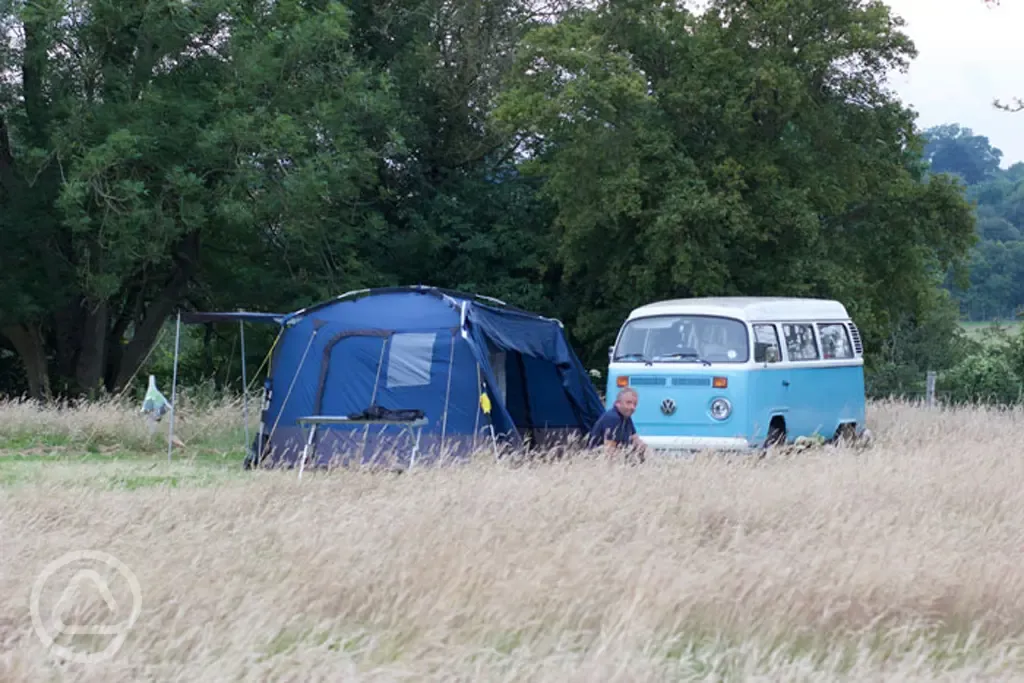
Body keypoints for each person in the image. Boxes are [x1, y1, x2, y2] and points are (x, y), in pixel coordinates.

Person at [587, 387, 647, 463]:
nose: (632, 407)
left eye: (635, 404)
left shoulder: (626, 417)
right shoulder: (613, 418)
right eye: (628, 402)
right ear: (617, 403)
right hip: (598, 462)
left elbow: (636, 440)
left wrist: (643, 449)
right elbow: (609, 451)